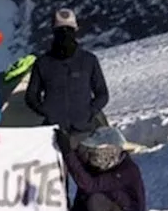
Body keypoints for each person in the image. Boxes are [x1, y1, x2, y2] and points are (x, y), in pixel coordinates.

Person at [25, 8, 110, 149]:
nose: (65, 34)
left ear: (75, 31)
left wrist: (89, 112)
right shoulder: (43, 63)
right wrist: (46, 112)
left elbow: (102, 94)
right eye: (60, 30)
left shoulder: (89, 60)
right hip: (53, 135)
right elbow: (31, 96)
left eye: (68, 30)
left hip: (84, 132)